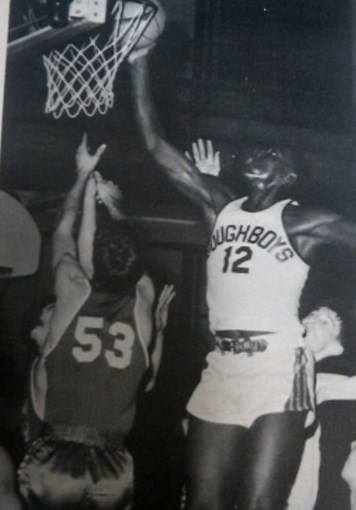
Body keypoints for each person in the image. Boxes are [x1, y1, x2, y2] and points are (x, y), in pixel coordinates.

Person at [128, 33, 356, 509]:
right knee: (203, 503)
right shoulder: (220, 209)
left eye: (270, 154)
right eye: (252, 154)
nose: (256, 157)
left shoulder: (305, 221)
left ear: (288, 176)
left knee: (259, 505)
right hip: (223, 367)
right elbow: (154, 145)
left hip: (278, 367)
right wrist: (139, 59)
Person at [17, 134, 175, 509]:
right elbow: (133, 256)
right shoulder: (143, 305)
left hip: (57, 456)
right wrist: (112, 203)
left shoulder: (72, 293)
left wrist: (82, 181)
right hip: (113, 461)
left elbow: (61, 232)